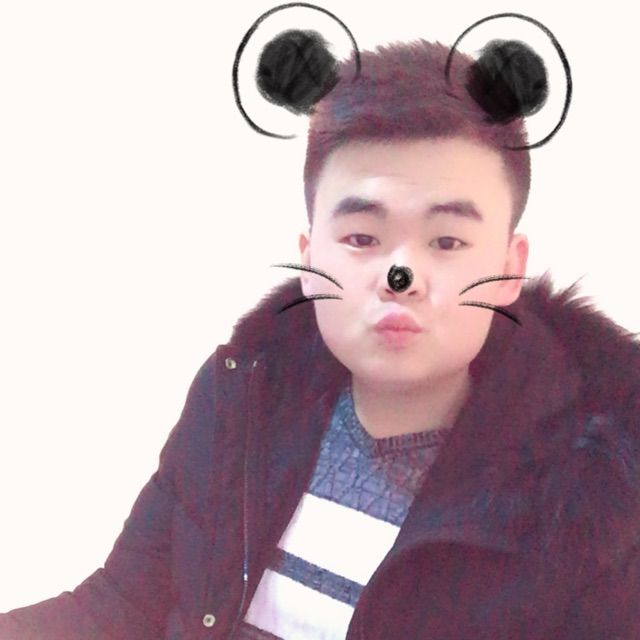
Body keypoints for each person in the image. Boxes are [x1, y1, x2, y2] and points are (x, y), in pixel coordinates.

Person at [2, 31, 639, 640]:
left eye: (447, 241)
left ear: (508, 269)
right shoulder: (241, 396)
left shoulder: (597, 494)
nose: (400, 277)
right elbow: (123, 605)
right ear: (310, 260)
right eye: (362, 237)